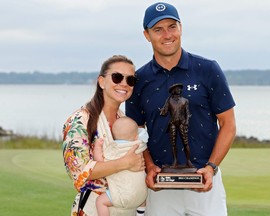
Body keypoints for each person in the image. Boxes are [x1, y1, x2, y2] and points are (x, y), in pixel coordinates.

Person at [126, 2, 236, 216]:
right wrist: (149, 167)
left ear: (181, 28)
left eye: (172, 26)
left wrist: (211, 167)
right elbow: (135, 134)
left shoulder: (208, 69)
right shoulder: (139, 80)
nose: (167, 35)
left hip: (205, 182)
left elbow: (228, 124)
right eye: (158, 29)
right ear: (147, 35)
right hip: (160, 187)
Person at [62, 55, 146, 216]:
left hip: (127, 210)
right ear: (101, 82)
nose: (124, 83)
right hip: (93, 209)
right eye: (117, 77)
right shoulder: (80, 121)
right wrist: (125, 162)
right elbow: (79, 172)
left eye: (130, 80)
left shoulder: (126, 122)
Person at [94, 116, 147, 216]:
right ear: (136, 136)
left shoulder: (114, 150)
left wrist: (97, 147)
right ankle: (141, 213)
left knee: (100, 202)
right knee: (141, 192)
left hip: (123, 196)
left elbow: (100, 162)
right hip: (141, 196)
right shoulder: (140, 146)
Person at [159, 83, 193, 168]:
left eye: (180, 89)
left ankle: (188, 161)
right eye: (178, 89)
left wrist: (187, 121)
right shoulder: (169, 100)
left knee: (185, 142)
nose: (180, 90)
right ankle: (175, 161)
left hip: (182, 123)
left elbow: (187, 113)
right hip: (173, 123)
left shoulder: (185, 100)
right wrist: (162, 111)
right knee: (173, 143)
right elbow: (165, 112)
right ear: (173, 90)